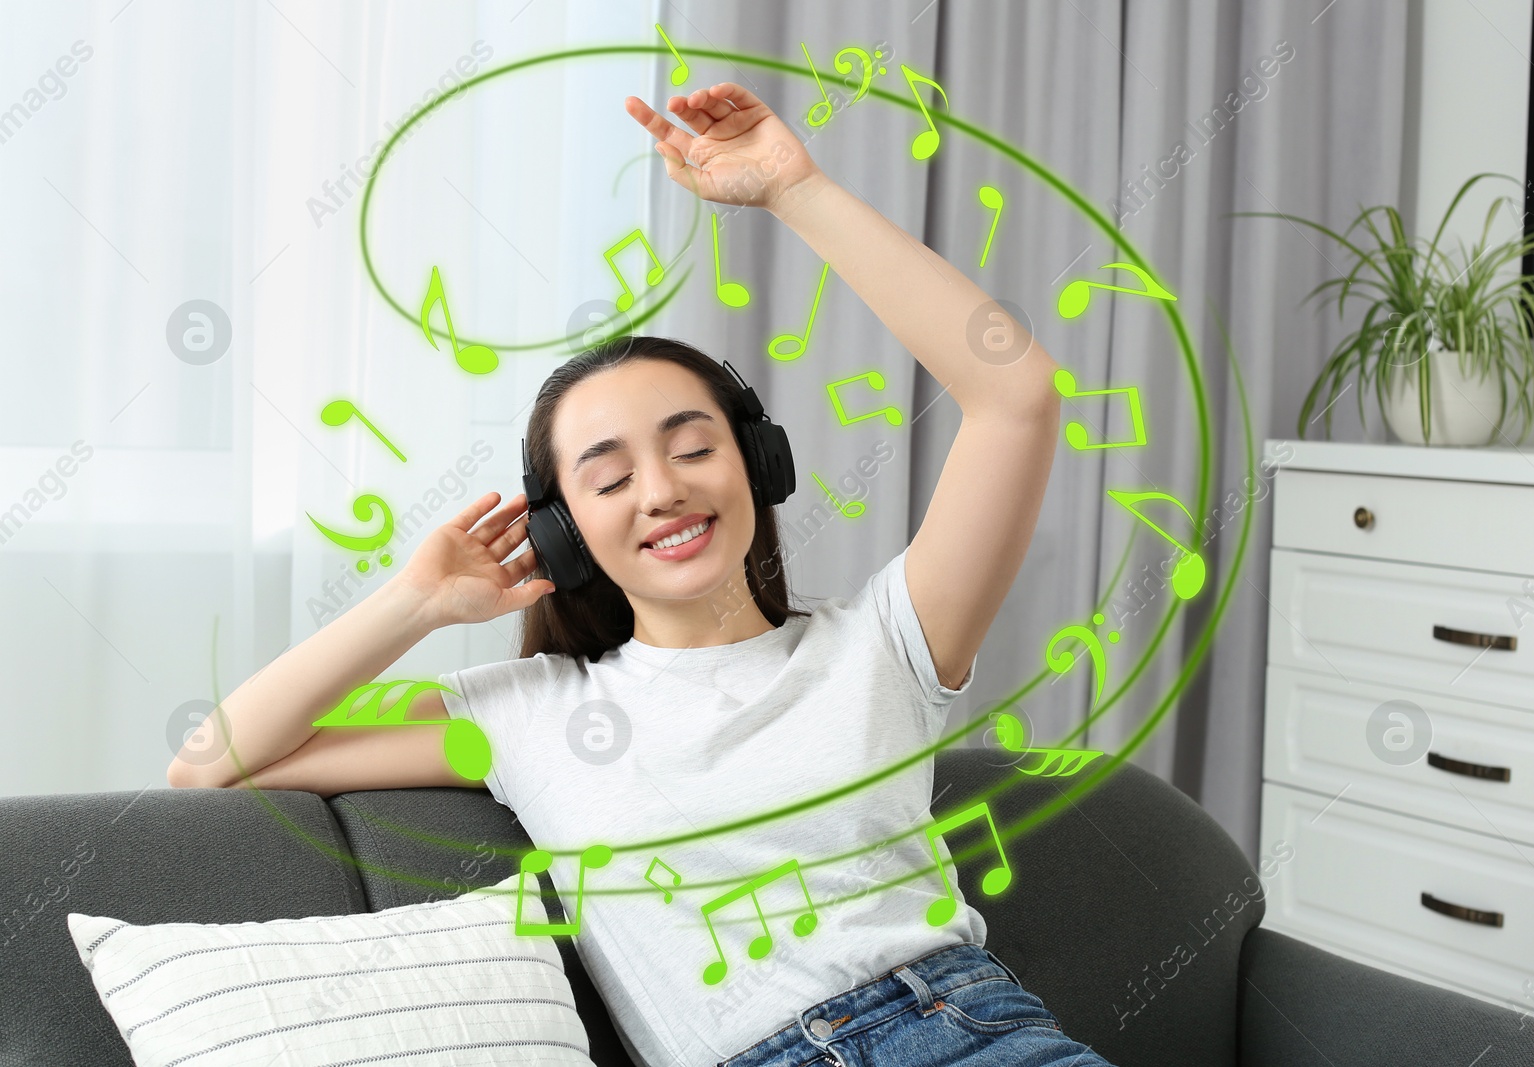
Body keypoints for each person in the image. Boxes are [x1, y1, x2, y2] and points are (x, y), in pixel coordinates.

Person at [171, 82, 1111, 1067]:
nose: (659, 490)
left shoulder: (885, 640)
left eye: (691, 447)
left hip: (973, 1034)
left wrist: (794, 187)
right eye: (609, 475)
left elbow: (1015, 393)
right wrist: (416, 602)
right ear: (565, 529)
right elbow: (211, 761)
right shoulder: (522, 711)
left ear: (759, 462)